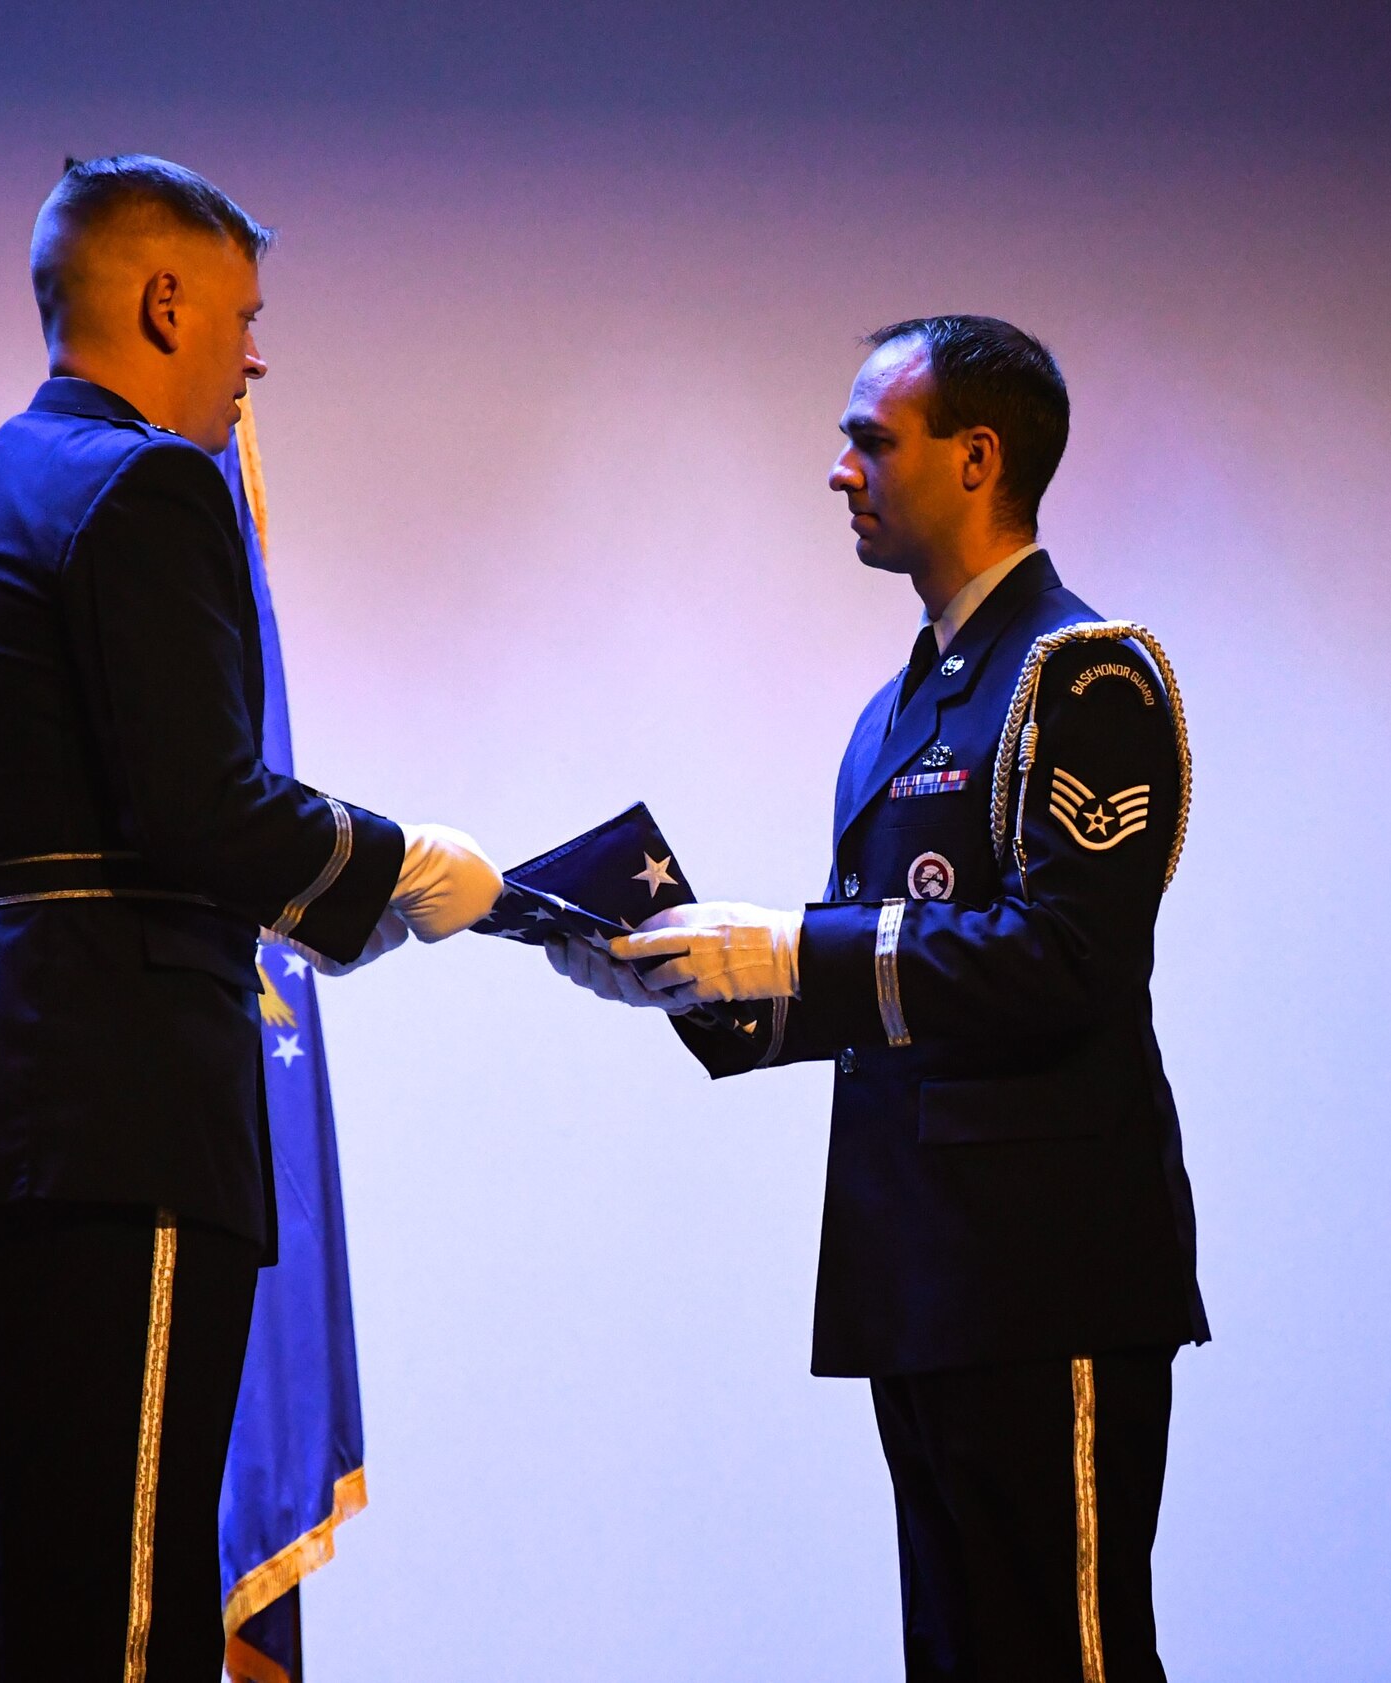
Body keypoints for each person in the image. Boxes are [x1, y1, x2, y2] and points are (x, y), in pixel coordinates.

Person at [0, 154, 501, 1682]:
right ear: (164, 302)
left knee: (24, 1617)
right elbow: (200, 808)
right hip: (117, 1103)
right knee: (133, 1621)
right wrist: (396, 862)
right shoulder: (149, 484)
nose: (254, 357)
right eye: (242, 317)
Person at [552, 316, 1208, 1681]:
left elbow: (1064, 962)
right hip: (924, 1266)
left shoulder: (1081, 672)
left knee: (1065, 1650)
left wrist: (789, 945)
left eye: (871, 440)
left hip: (1048, 1269)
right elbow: (887, 996)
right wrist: (676, 970)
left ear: (977, 459)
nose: (841, 470)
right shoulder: (900, 710)